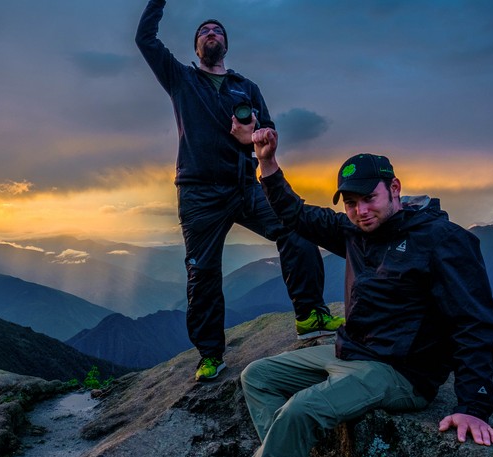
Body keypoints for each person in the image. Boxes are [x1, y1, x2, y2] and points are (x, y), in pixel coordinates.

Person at [211, 127, 493, 457]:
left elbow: (475, 322)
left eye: (368, 199)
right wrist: (266, 162)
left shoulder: (441, 240)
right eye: (350, 203)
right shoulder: (354, 231)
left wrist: (474, 406)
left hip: (401, 372)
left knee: (301, 409)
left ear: (394, 188)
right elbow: (296, 215)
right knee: (258, 376)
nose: (360, 211)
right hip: (352, 351)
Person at [135, 0, 343, 382]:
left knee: (296, 229)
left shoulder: (246, 88)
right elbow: (144, 38)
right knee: (203, 273)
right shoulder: (181, 79)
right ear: (196, 48)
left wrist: (256, 136)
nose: (210, 34)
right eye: (203, 32)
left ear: (225, 45)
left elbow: (268, 132)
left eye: (217, 31)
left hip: (246, 185)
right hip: (199, 192)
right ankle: (210, 355)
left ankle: (310, 315)